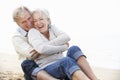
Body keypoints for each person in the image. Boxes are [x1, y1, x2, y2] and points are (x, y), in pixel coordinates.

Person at [24, 9, 99, 80]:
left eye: (41, 19)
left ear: (47, 20)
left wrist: (47, 45)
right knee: (66, 61)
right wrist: (63, 47)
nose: (38, 23)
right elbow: (42, 49)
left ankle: (94, 79)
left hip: (62, 63)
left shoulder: (52, 28)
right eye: (35, 21)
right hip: (48, 68)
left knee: (74, 49)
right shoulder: (33, 32)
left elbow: (66, 37)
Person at [12, 6, 61, 80]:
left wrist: (44, 47)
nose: (28, 23)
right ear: (18, 24)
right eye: (23, 22)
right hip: (36, 70)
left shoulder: (38, 26)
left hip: (51, 62)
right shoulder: (17, 38)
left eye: (29, 18)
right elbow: (33, 54)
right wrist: (59, 45)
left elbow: (47, 17)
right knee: (26, 63)